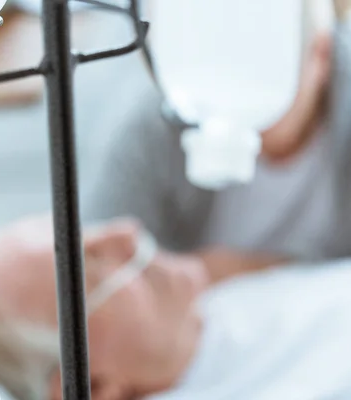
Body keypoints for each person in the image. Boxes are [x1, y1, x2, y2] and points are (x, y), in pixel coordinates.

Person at [0, 215, 351, 400]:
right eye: (88, 267)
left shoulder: (222, 303)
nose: (127, 232)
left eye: (86, 228)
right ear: (94, 386)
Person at [82, 10, 351, 274]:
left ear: (320, 55)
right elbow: (97, 266)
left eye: (258, 66)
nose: (236, 88)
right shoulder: (165, 119)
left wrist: (218, 271)